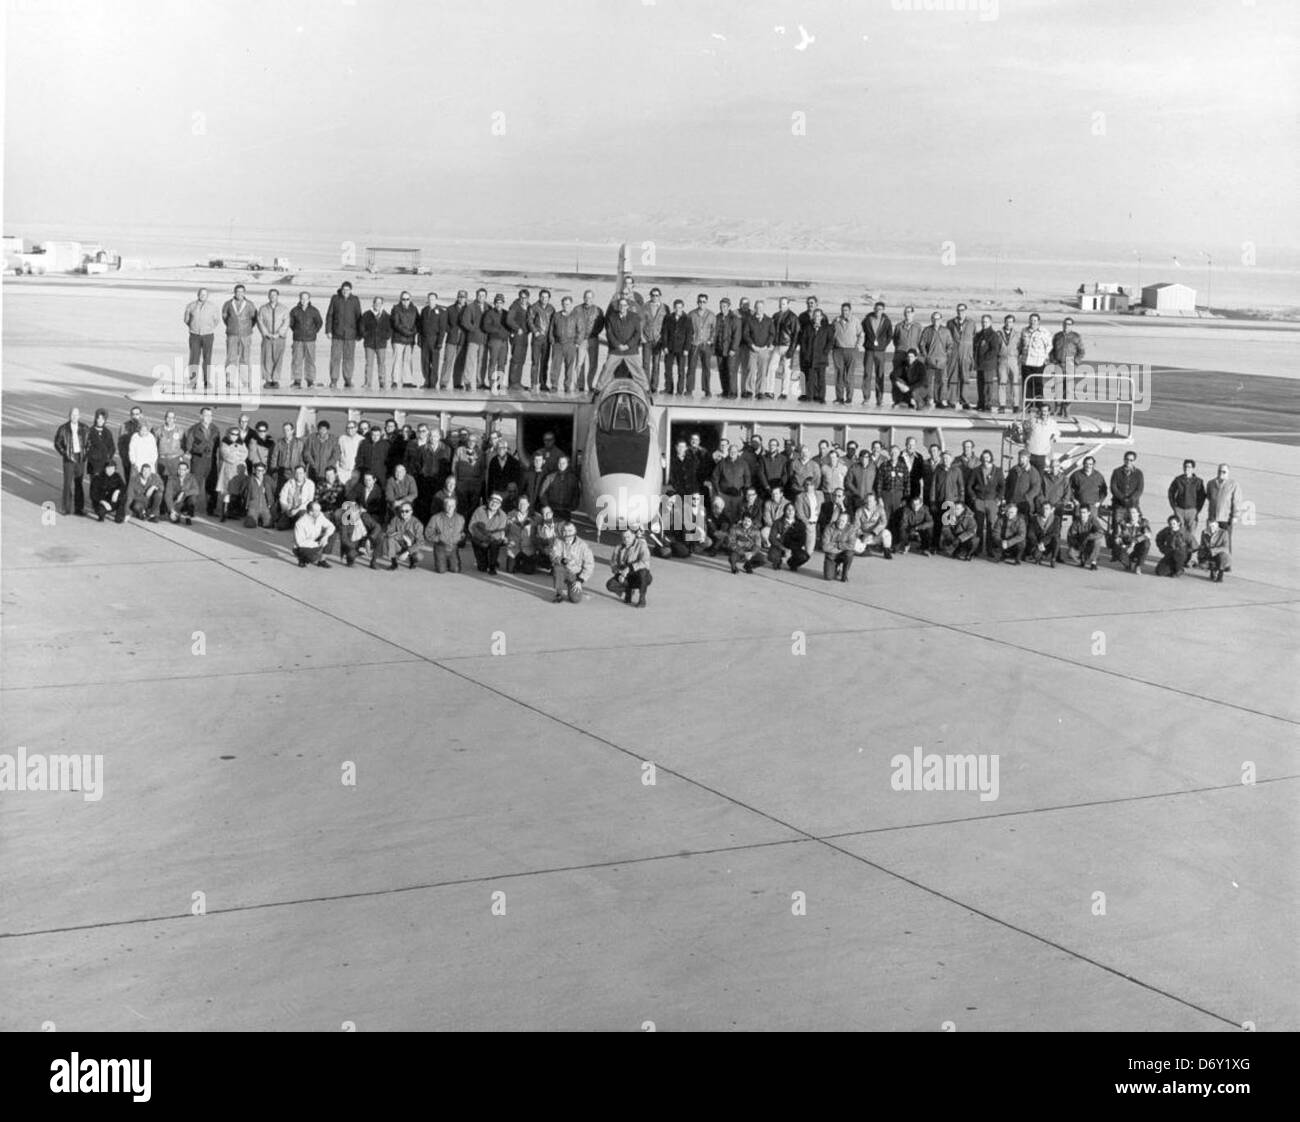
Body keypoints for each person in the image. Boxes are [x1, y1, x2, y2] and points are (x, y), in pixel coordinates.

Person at [965, 451, 1004, 556]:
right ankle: (978, 549)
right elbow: (969, 486)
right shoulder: (976, 470)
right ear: (981, 458)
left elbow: (1002, 486)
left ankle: (990, 549)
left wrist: (998, 499)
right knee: (979, 526)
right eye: (983, 457)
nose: (986, 459)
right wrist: (974, 498)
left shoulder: (998, 471)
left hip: (992, 502)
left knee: (991, 526)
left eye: (988, 457)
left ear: (991, 457)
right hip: (979, 501)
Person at [325, 281, 364, 389]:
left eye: (347, 290)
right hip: (337, 334)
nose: (345, 291)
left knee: (349, 358)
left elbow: (359, 317)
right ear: (341, 289)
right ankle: (333, 380)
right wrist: (328, 330)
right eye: (344, 289)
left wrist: (359, 333)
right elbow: (330, 315)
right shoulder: (335, 298)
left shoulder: (355, 300)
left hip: (350, 335)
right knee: (335, 358)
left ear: (351, 290)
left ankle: (348, 379)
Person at [53, 407, 90, 516]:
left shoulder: (84, 428)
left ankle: (79, 508)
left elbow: (89, 442)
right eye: (72, 415)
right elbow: (57, 443)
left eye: (76, 415)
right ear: (69, 416)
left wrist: (85, 454)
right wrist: (65, 453)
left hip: (80, 458)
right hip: (69, 458)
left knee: (79, 483)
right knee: (67, 483)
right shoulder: (63, 428)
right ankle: (66, 508)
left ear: (79, 416)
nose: (74, 417)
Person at [221, 284, 258, 391]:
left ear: (244, 293)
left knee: (245, 357)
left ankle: (245, 380)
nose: (239, 294)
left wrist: (246, 327)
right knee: (231, 358)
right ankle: (229, 380)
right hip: (232, 334)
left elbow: (254, 318)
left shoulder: (250, 304)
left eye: (242, 292)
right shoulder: (228, 304)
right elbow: (225, 317)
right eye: (238, 292)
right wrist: (232, 326)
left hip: (245, 334)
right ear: (234, 292)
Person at [183, 287, 221, 388]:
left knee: (207, 358)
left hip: (208, 335)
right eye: (201, 294)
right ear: (197, 294)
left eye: (204, 294)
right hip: (194, 335)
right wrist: (193, 327)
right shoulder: (191, 306)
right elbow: (186, 320)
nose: (202, 296)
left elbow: (216, 320)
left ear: (207, 296)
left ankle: (207, 381)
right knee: (194, 358)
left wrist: (209, 328)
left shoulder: (212, 306)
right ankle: (193, 381)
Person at [607, 527, 653, 607]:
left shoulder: (641, 545)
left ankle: (642, 598)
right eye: (624, 537)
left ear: (634, 536)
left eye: (628, 537)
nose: (626, 539)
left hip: (637, 574)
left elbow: (645, 562)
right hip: (626, 575)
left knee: (644, 572)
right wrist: (618, 572)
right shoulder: (618, 547)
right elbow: (613, 563)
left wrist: (629, 568)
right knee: (610, 585)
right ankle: (628, 590)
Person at [1049, 316, 1086, 416]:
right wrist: (1053, 360)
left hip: (1070, 364)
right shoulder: (1058, 336)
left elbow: (1081, 351)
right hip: (1058, 364)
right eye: (1065, 323)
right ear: (1062, 324)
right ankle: (1057, 408)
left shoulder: (1076, 337)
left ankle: (1066, 410)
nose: (1066, 326)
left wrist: (1075, 362)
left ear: (1072, 325)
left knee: (1069, 388)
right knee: (1058, 388)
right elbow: (1053, 350)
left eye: (1069, 324)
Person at [550, 521, 595, 603]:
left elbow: (589, 565)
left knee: (575, 599)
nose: (567, 533)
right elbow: (553, 555)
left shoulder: (583, 545)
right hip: (564, 570)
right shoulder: (558, 541)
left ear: (575, 532)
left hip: (575, 574)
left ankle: (573, 587)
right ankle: (559, 593)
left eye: (570, 531)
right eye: (565, 531)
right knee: (557, 568)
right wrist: (561, 560)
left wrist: (580, 580)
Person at [255, 288, 290, 389]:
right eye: (270, 295)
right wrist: (266, 333)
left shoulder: (284, 309)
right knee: (267, 358)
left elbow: (286, 322)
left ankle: (275, 379)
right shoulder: (263, 308)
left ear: (277, 296)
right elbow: (260, 322)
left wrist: (279, 334)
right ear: (268, 296)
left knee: (278, 359)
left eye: (274, 295)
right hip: (267, 338)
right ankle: (268, 379)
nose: (272, 297)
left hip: (280, 338)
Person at [798, 307, 834, 403]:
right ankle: (810, 396)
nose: (817, 317)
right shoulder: (808, 327)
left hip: (822, 357)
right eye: (815, 316)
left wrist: (826, 351)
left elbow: (830, 341)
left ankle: (821, 397)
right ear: (813, 317)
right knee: (810, 378)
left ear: (822, 317)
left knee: (821, 378)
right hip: (810, 357)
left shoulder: (827, 328)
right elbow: (803, 341)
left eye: (818, 316)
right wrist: (805, 353)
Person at [918, 311, 953, 409]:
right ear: (931, 319)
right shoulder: (927, 330)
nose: (936, 320)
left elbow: (950, 344)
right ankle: (929, 399)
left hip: (942, 360)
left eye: (938, 318)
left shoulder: (946, 331)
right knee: (929, 381)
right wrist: (926, 356)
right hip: (930, 360)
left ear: (941, 319)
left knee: (941, 381)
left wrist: (946, 355)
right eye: (934, 318)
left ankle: (940, 400)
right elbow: (921, 344)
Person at [289, 291, 324, 388]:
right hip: (298, 339)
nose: (304, 300)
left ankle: (310, 380)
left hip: (310, 340)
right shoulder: (294, 310)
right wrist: (297, 331)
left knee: (310, 360)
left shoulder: (314, 311)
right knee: (297, 360)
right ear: (299, 299)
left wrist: (313, 332)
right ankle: (297, 381)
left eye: (306, 299)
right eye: (302, 298)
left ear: (309, 299)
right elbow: (291, 324)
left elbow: (319, 323)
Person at [1205, 463, 1244, 551]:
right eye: (1219, 471)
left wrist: (1235, 516)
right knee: (1211, 540)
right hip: (1213, 518)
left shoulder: (1233, 485)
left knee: (1225, 541)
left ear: (1228, 473)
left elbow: (1237, 502)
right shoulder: (1211, 483)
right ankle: (1212, 562)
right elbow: (1209, 497)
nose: (1221, 473)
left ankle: (1226, 562)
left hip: (1226, 519)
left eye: (1224, 471)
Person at [830, 302, 862, 404]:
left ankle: (849, 398)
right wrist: (831, 346)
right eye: (843, 310)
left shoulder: (855, 321)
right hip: (838, 350)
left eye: (846, 310)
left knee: (849, 375)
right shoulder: (836, 320)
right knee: (839, 374)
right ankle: (839, 397)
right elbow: (830, 334)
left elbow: (861, 334)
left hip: (851, 350)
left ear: (850, 311)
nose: (844, 312)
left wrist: (858, 346)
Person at [422, 495, 464, 573]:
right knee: (441, 570)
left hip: (453, 547)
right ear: (444, 506)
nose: (450, 507)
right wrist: (438, 538)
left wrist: (460, 538)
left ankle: (450, 561)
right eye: (448, 505)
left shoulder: (460, 518)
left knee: (455, 569)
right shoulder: (435, 518)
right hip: (440, 546)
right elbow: (428, 533)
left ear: (455, 506)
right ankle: (441, 561)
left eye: (452, 505)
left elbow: (462, 532)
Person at [945, 303, 976, 409]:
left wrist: (971, 355)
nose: (960, 312)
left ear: (966, 311)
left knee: (965, 378)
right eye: (958, 310)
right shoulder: (950, 323)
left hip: (966, 354)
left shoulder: (971, 323)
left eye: (962, 310)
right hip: (954, 354)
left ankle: (965, 401)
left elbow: (974, 338)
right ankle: (952, 400)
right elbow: (947, 338)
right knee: (953, 377)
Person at [549, 296, 583, 393]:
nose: (566, 306)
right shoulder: (556, 315)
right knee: (555, 366)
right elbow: (551, 329)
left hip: (570, 344)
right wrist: (552, 341)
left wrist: (577, 343)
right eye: (564, 304)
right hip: (558, 344)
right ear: (562, 304)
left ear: (571, 305)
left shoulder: (576, 316)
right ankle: (554, 385)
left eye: (567, 304)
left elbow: (581, 330)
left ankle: (567, 386)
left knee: (569, 367)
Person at [468, 492, 508, 573]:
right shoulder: (479, 510)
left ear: (500, 505)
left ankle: (492, 564)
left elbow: (500, 532)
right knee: (482, 568)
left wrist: (488, 539)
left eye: (497, 503)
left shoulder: (503, 515)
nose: (494, 504)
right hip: (479, 538)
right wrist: (483, 539)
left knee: (495, 543)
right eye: (492, 501)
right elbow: (472, 526)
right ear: (488, 501)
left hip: (493, 540)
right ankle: (485, 561)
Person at [659, 298, 692, 396]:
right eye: (677, 307)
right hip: (670, 347)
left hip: (682, 349)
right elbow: (664, 333)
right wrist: (664, 346)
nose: (678, 309)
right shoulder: (668, 317)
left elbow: (689, 335)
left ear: (683, 308)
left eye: (680, 307)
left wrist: (686, 348)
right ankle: (668, 389)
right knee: (668, 370)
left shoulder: (687, 318)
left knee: (681, 371)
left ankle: (680, 390)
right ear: (674, 308)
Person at [685, 294, 716, 398]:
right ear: (697, 302)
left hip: (705, 345)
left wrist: (710, 341)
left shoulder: (711, 315)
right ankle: (689, 389)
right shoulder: (691, 314)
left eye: (704, 302)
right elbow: (687, 330)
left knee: (706, 368)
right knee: (691, 367)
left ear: (706, 302)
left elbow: (714, 330)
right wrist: (689, 341)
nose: (701, 303)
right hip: (694, 344)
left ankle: (707, 389)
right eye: (700, 301)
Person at [214, 427, 248, 521]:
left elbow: (245, 453)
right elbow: (226, 455)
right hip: (228, 469)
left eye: (237, 434)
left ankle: (233, 511)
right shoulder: (225, 442)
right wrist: (238, 455)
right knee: (227, 490)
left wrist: (236, 454)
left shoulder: (242, 443)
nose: (234, 436)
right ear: (229, 434)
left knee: (237, 490)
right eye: (233, 434)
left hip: (239, 469)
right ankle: (224, 513)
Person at [459, 288, 490, 391]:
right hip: (473, 338)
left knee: (482, 361)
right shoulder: (470, 307)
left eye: (483, 295)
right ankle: (467, 381)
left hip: (484, 339)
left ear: (486, 297)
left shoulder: (488, 307)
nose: (481, 297)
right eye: (479, 295)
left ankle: (480, 382)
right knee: (470, 361)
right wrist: (474, 329)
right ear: (476, 296)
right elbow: (465, 321)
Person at [574, 290, 605, 393]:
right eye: (586, 297)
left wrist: (594, 333)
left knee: (593, 364)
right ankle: (580, 385)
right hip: (581, 340)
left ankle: (590, 384)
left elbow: (601, 324)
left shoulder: (598, 310)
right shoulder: (577, 309)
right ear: (583, 298)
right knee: (579, 363)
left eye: (590, 297)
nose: (588, 299)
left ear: (593, 298)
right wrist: (577, 337)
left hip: (593, 339)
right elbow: (572, 323)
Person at [1018, 312, 1052, 404]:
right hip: (1026, 362)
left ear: (1038, 321)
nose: (1033, 322)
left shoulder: (1044, 332)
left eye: (1035, 320)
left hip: (1038, 363)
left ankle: (1039, 405)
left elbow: (1049, 346)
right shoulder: (1024, 331)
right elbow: (1020, 345)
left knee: (1038, 385)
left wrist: (1045, 357)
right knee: (1027, 385)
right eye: (1031, 320)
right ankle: (1027, 406)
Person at [1167, 459, 1207, 536]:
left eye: (1189, 467)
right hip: (1180, 510)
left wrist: (1197, 509)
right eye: (1185, 467)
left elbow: (1202, 496)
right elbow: (1171, 492)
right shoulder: (1178, 480)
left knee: (1191, 534)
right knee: (1179, 533)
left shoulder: (1198, 481)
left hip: (1192, 511)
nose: (1186, 469)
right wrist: (1174, 506)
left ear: (1193, 468)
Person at [439, 290, 469, 390]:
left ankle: (457, 382)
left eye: (463, 297)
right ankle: (443, 382)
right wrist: (451, 330)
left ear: (466, 298)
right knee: (448, 360)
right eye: (460, 297)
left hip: (463, 339)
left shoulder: (469, 309)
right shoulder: (450, 309)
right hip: (451, 339)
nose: (461, 299)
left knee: (460, 362)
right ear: (457, 297)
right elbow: (444, 323)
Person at [389, 291, 420, 389]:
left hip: (410, 340)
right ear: (400, 299)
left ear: (410, 299)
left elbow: (418, 322)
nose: (405, 301)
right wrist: (407, 332)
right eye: (403, 299)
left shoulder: (414, 309)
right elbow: (396, 324)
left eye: (407, 299)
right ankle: (395, 380)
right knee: (397, 360)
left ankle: (407, 381)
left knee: (407, 360)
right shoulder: (396, 309)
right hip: (398, 339)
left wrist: (413, 331)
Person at [1109, 450, 1145, 536]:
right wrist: (1122, 498)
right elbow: (1113, 487)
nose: (1128, 461)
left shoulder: (1138, 473)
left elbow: (1139, 489)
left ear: (1134, 461)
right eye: (1127, 459)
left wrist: (1132, 499)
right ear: (1124, 459)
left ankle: (1133, 542)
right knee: (1117, 526)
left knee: (1137, 525)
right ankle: (1116, 544)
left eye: (1131, 460)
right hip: (1119, 504)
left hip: (1133, 504)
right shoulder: (1117, 472)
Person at [526, 289, 555, 391]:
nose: (544, 299)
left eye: (546, 297)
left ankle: (543, 384)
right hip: (537, 339)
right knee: (535, 362)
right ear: (539, 297)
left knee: (545, 362)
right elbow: (530, 321)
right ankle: (534, 384)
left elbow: (553, 324)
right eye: (542, 297)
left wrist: (552, 336)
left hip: (547, 339)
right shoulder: (534, 307)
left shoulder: (551, 308)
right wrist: (535, 331)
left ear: (549, 298)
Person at [483, 293, 511, 395]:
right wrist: (498, 330)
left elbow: (511, 325)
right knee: (493, 362)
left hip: (504, 341)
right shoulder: (489, 313)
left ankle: (499, 384)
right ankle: (492, 383)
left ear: (503, 303)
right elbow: (486, 326)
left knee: (502, 363)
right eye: (497, 302)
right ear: (494, 303)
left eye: (501, 302)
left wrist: (509, 333)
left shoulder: (506, 313)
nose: (499, 304)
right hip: (494, 341)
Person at [291, 501, 335, 567]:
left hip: (315, 540)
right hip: (302, 546)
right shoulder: (300, 523)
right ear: (311, 512)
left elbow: (331, 526)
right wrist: (319, 544)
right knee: (313, 558)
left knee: (331, 534)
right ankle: (302, 559)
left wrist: (325, 536)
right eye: (317, 510)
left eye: (320, 510)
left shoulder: (320, 516)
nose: (320, 512)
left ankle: (322, 561)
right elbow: (300, 543)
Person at [361, 297, 392, 390]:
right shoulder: (366, 314)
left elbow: (389, 330)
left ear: (382, 304)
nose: (378, 304)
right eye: (376, 303)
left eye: (380, 303)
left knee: (381, 363)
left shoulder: (386, 316)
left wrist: (385, 336)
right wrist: (366, 335)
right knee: (369, 364)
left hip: (381, 344)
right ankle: (367, 382)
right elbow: (361, 327)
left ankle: (382, 382)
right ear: (373, 303)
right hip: (369, 343)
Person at [767, 506, 810, 570]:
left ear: (795, 512)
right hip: (780, 545)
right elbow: (772, 538)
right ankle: (778, 561)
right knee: (772, 556)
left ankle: (792, 563)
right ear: (784, 511)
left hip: (794, 546)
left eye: (792, 509)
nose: (790, 511)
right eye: (788, 509)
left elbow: (802, 540)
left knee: (804, 556)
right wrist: (784, 549)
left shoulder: (800, 524)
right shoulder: (777, 522)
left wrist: (792, 550)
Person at [973, 314, 1000, 412]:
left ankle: (987, 404)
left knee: (988, 385)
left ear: (990, 322)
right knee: (980, 385)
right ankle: (981, 403)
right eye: (983, 322)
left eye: (986, 322)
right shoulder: (979, 334)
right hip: (979, 364)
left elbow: (994, 350)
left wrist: (984, 358)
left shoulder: (993, 335)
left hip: (988, 364)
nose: (984, 324)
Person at [540, 455, 580, 521]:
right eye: (559, 463)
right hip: (552, 509)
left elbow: (576, 494)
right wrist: (546, 506)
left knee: (564, 529)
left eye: (563, 463)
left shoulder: (573, 478)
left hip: (566, 510)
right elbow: (542, 493)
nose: (561, 465)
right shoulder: (550, 477)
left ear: (567, 464)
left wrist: (573, 506)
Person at [1004, 450, 1043, 519]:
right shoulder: (1014, 470)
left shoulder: (1033, 472)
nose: (1020, 459)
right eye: (1019, 457)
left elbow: (1036, 488)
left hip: (1024, 503)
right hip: (1012, 502)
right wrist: (1007, 496)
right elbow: (1007, 483)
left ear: (1028, 459)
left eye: (1023, 458)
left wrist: (1026, 497)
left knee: (1023, 524)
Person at [1113, 507, 1152, 573]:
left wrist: (1134, 542)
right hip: (1127, 545)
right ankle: (1130, 562)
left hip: (1138, 545)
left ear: (1138, 514)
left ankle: (1138, 565)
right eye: (1130, 513)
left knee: (1146, 543)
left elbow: (1147, 535)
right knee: (1118, 550)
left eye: (1134, 513)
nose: (1132, 515)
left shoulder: (1144, 522)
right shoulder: (1123, 522)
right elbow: (1117, 536)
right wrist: (1123, 545)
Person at [854, 494, 893, 559]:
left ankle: (886, 550)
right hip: (864, 536)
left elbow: (883, 522)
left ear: (875, 502)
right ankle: (864, 550)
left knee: (886, 533)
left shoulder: (880, 509)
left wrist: (873, 533)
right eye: (867, 501)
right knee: (853, 545)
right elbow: (856, 526)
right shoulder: (859, 510)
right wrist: (862, 536)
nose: (869, 503)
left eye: (871, 501)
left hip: (875, 535)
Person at [1070, 503, 1108, 569]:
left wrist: (1088, 536)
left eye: (1084, 512)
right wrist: (1076, 543)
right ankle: (1082, 560)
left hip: (1090, 543)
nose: (1082, 514)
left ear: (1089, 513)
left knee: (1098, 541)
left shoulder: (1093, 521)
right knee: (1071, 552)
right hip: (1081, 544)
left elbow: (1101, 532)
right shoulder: (1076, 522)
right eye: (1081, 512)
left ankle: (1094, 562)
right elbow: (1071, 536)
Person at [1027, 496, 1063, 567]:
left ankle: (1053, 559)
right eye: (1043, 508)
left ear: (1051, 510)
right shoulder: (1034, 519)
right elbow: (1030, 534)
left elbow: (1055, 533)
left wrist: (1042, 542)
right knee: (1036, 556)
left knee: (1056, 539)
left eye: (1047, 509)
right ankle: (1040, 556)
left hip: (1048, 543)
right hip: (1038, 544)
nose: (1044, 510)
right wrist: (1038, 544)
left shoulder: (1056, 519)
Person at [1022, 405, 1060, 471]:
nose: (1043, 413)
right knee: (1027, 474)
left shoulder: (1052, 423)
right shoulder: (1032, 421)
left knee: (1040, 477)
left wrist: (1053, 440)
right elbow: (1024, 428)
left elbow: (1057, 433)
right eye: (1041, 411)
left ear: (1049, 412)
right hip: (1030, 453)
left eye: (1045, 411)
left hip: (1042, 455)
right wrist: (1025, 438)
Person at [277, 465, 316, 529]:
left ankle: (297, 523)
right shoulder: (289, 482)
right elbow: (282, 496)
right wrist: (286, 509)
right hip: (290, 509)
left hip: (302, 510)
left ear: (304, 474)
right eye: (297, 473)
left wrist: (297, 509)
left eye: (300, 473)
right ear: (294, 474)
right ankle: (292, 522)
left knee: (301, 522)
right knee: (280, 526)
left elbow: (309, 501)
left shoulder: (310, 484)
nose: (298, 475)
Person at [240, 462, 277, 528]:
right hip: (253, 506)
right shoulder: (249, 479)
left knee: (269, 525)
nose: (259, 472)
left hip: (265, 507)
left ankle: (260, 519)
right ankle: (252, 517)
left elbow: (274, 490)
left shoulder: (268, 480)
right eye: (258, 470)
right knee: (250, 524)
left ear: (264, 471)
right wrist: (247, 503)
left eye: (261, 470)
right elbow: (243, 491)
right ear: (254, 470)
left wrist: (270, 502)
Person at [822, 511, 857, 581]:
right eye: (839, 520)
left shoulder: (851, 529)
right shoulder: (829, 528)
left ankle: (844, 574)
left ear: (847, 522)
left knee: (849, 553)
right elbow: (825, 546)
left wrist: (837, 545)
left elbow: (851, 545)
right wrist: (842, 547)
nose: (840, 522)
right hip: (831, 556)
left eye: (843, 521)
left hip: (843, 554)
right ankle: (835, 568)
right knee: (828, 577)